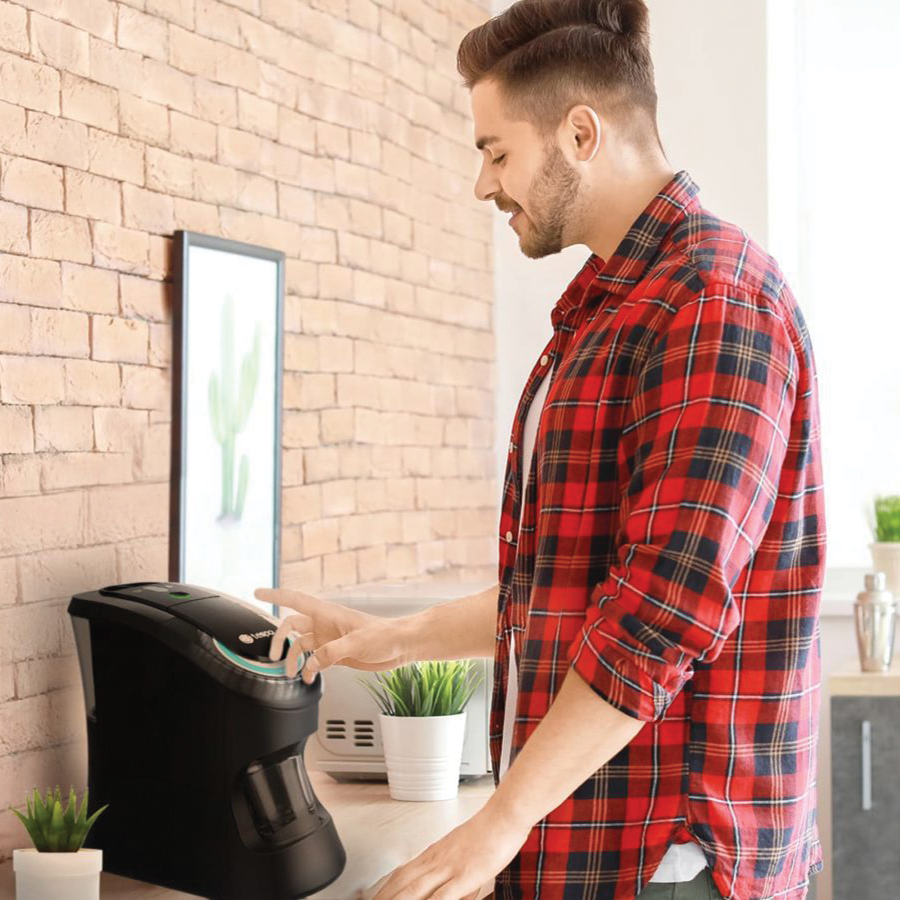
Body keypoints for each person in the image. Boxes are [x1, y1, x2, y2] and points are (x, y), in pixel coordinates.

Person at [257, 1, 827, 897]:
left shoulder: (714, 301)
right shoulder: (608, 307)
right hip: (595, 849)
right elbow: (575, 587)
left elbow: (660, 609)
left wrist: (497, 823)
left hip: (668, 862)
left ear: (581, 132)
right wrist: (391, 637)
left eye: (496, 152)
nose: (483, 185)